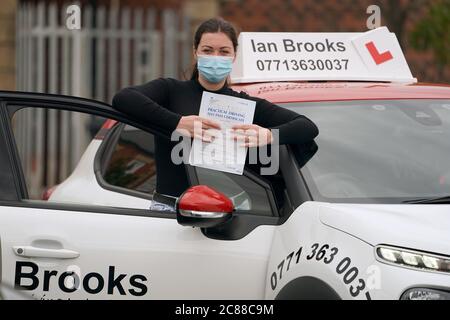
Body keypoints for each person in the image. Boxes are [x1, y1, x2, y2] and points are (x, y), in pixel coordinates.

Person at [112, 17, 319, 198]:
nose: (215, 58)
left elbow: (307, 127)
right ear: (195, 52)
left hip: (229, 212)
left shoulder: (245, 105)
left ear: (234, 56)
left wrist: (269, 135)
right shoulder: (171, 90)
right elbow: (124, 98)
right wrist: (177, 122)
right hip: (169, 208)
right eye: (208, 50)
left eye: (224, 51)